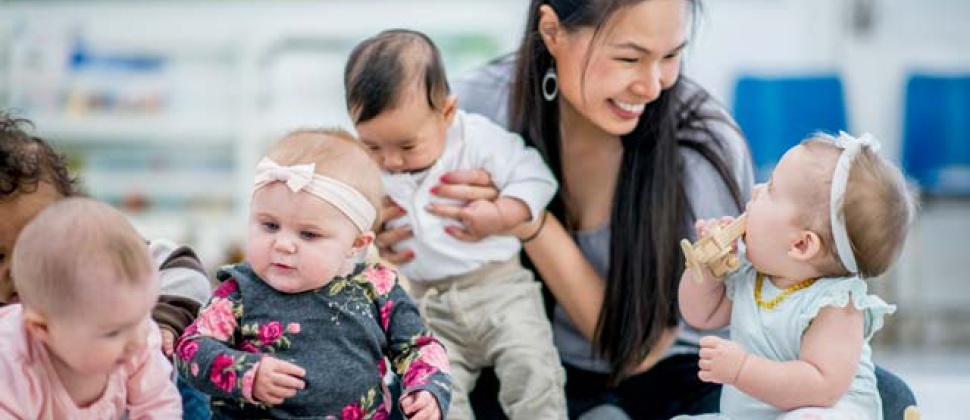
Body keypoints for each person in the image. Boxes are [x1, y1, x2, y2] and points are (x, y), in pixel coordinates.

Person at [374, 1, 916, 419]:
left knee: (877, 394)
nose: (653, 84)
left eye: (672, 56)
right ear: (552, 32)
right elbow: (374, 194)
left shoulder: (703, 145)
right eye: (629, 58)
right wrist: (385, 230)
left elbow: (640, 349)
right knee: (407, 391)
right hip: (515, 357)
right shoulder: (473, 114)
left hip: (665, 370)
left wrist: (529, 221)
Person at [344, 28, 566, 419]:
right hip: (427, 303)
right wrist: (370, 226)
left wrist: (502, 213)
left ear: (446, 113)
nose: (390, 161)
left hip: (501, 289)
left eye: (407, 146)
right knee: (433, 391)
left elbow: (536, 177)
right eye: (372, 146)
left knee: (532, 367)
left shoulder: (478, 140)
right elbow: (345, 218)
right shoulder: (366, 167)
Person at [175, 129, 452, 419]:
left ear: (356, 244)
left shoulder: (377, 288)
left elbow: (417, 346)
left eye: (308, 234)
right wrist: (245, 372)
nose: (283, 244)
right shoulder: (239, 291)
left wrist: (427, 388)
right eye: (270, 225)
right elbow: (191, 350)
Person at [677, 132, 915, 419]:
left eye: (771, 189)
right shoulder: (751, 274)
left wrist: (742, 369)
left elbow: (822, 386)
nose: (755, 189)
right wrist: (707, 270)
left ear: (801, 245)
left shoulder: (835, 304)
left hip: (824, 411)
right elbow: (700, 314)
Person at [0, 112, 213, 418]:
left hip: (139, 388)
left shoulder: (98, 261)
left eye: (34, 241)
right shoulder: (11, 354)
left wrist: (150, 322)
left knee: (187, 370)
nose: (15, 269)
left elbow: (179, 267)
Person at [0, 197, 182, 418]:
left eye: (143, 316)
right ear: (43, 329)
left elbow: (158, 404)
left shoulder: (139, 338)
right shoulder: (11, 368)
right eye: (113, 332)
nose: (137, 341)